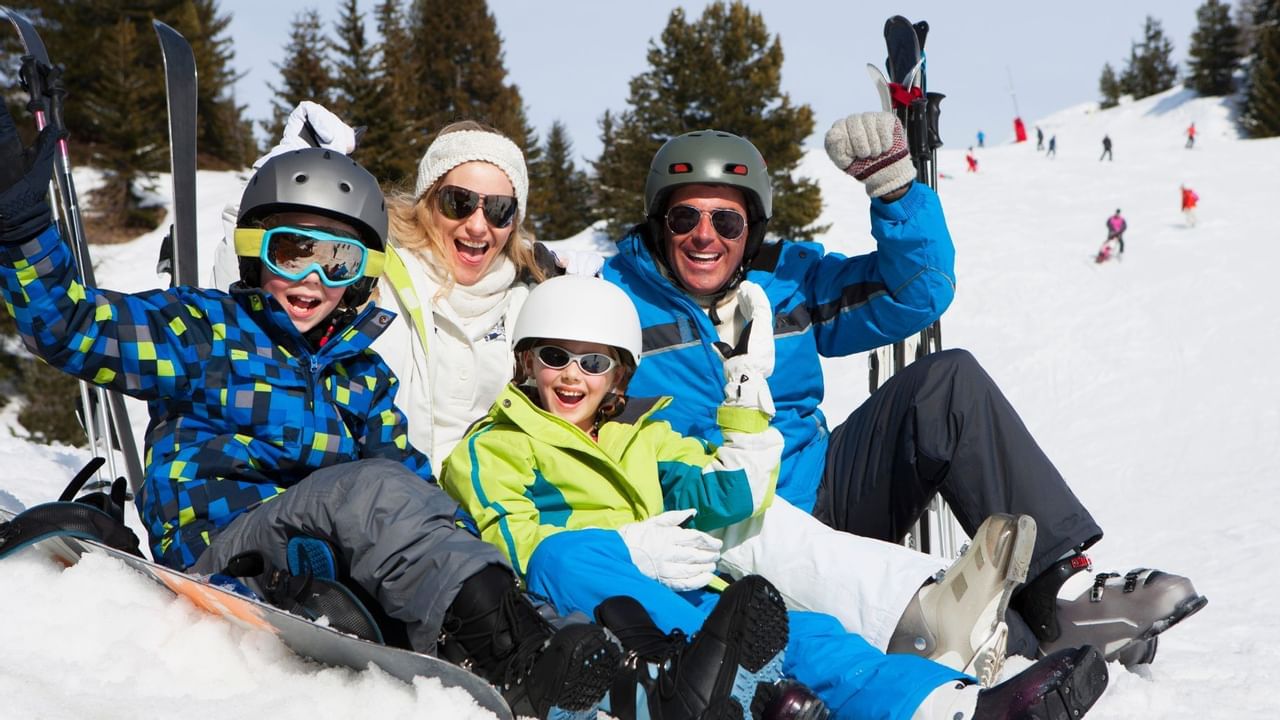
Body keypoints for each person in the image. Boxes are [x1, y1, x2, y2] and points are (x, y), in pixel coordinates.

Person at [0, 96, 619, 719]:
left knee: (415, 506)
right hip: (219, 547)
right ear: (253, 250)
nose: (313, 278)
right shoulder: (203, 331)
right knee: (372, 489)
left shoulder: (362, 374)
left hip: (318, 560)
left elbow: (416, 498)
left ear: (360, 275)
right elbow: (72, 325)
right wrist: (24, 229)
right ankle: (519, 658)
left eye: (339, 261)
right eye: (291, 252)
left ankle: (577, 657)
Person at [597, 114, 1206, 670]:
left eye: (726, 219)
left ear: (751, 226)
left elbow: (918, 292)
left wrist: (894, 190)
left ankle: (1056, 598)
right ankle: (955, 627)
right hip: (714, 520)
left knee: (946, 384)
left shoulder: (789, 280)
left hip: (820, 494)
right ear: (658, 222)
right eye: (685, 217)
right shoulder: (613, 302)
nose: (705, 236)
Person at [444, 275, 1110, 720]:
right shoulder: (492, 445)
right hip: (583, 604)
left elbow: (727, 500)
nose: (571, 376)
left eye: (594, 363)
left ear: (619, 375)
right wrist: (624, 545)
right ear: (526, 361)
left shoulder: (645, 437)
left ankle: (955, 707)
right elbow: (511, 542)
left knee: (809, 633)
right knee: (565, 556)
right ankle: (729, 679)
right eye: (555, 356)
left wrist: (743, 404)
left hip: (681, 596)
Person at [212, 102, 561, 465]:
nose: (477, 225)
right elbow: (248, 311)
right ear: (427, 200)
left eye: (499, 209)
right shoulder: (369, 272)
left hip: (494, 510)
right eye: (459, 202)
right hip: (384, 505)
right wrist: (270, 193)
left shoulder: (529, 298)